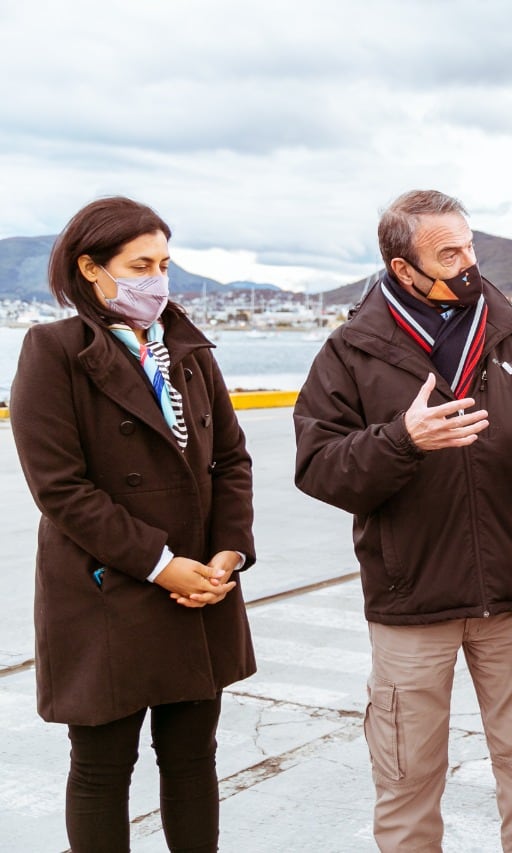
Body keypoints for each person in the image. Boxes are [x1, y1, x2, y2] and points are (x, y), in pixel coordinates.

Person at [293, 190, 512, 852]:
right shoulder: (352, 352)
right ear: (404, 270)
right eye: (449, 253)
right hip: (412, 606)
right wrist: (401, 440)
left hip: (510, 599)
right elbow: (317, 466)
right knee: (407, 780)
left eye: (470, 246)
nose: (469, 263)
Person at [10, 196, 255, 853]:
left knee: (193, 761)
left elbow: (230, 459)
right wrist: (160, 562)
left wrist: (227, 552)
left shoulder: (189, 350)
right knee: (100, 769)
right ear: (91, 269)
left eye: (164, 263)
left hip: (199, 588)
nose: (157, 278)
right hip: (106, 594)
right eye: (140, 264)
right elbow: (61, 488)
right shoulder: (53, 349)